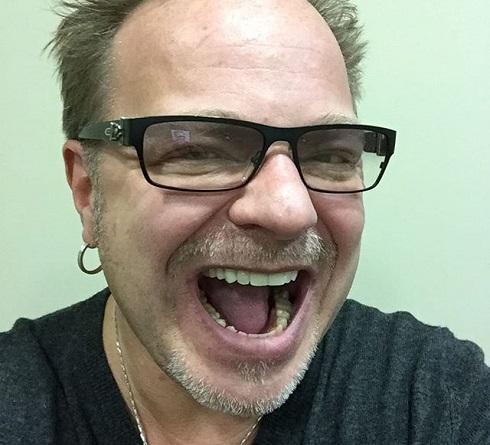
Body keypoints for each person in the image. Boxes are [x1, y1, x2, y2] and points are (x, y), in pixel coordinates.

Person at [0, 0, 488, 443]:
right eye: (197, 151)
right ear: (88, 191)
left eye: (331, 155)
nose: (289, 210)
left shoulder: (437, 400)